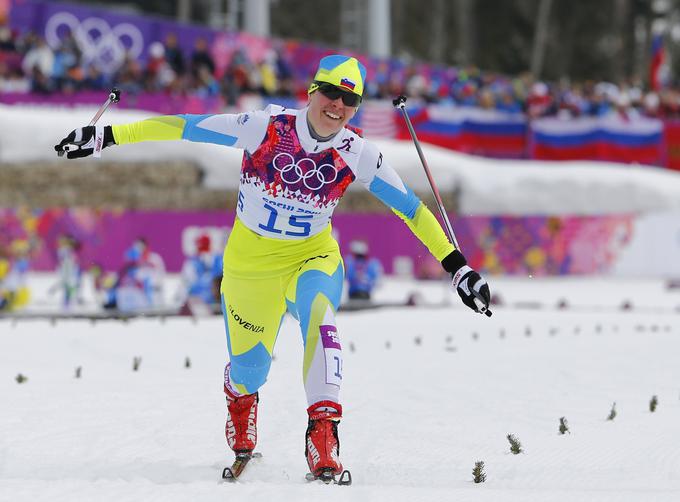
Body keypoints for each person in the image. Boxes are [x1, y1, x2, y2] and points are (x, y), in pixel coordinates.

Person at [54, 54, 491, 481]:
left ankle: (324, 433)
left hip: (312, 257)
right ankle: (240, 401)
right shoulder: (265, 126)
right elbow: (185, 127)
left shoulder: (357, 152)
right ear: (312, 90)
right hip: (250, 267)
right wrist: (105, 136)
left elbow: (412, 210)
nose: (338, 106)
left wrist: (458, 269)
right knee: (249, 373)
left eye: (350, 101)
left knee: (322, 323)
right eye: (331, 94)